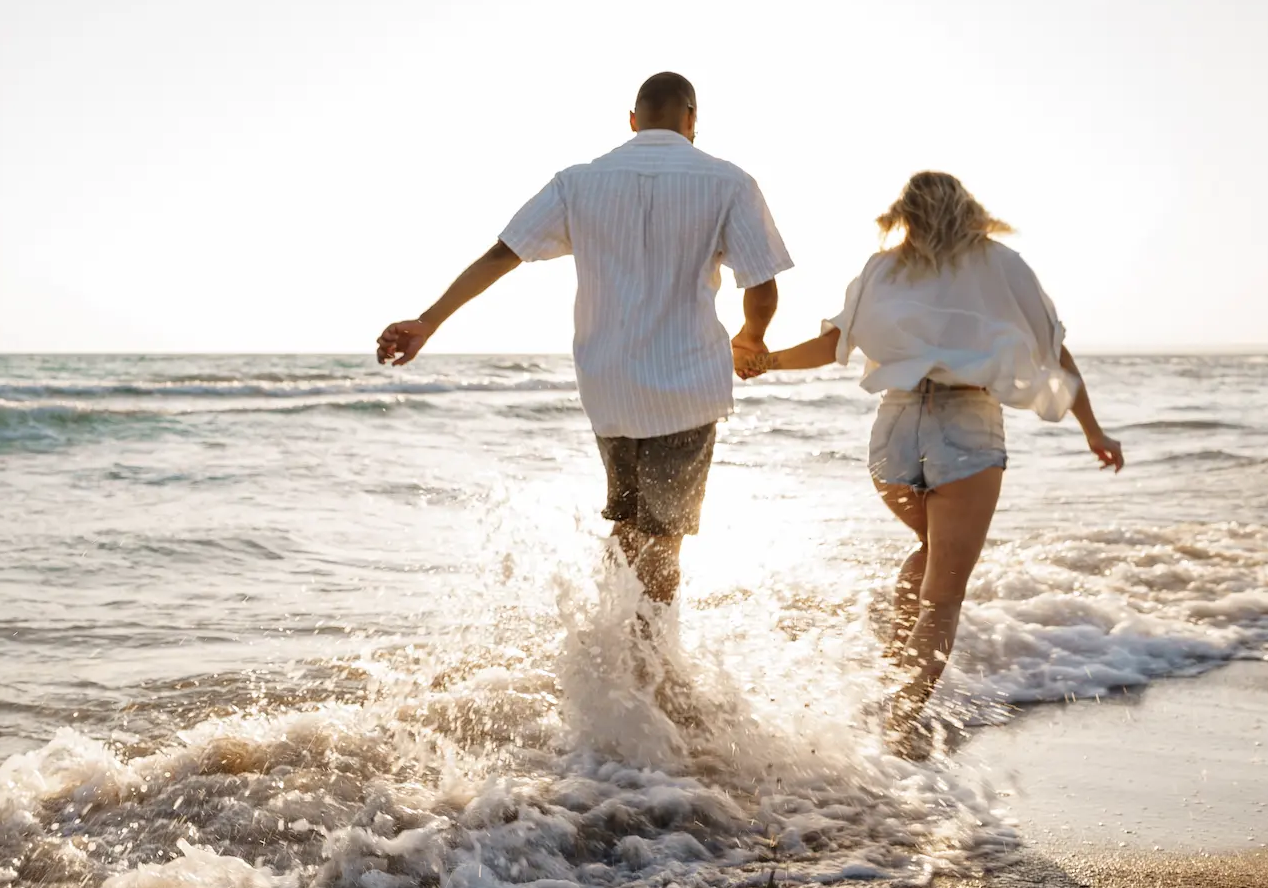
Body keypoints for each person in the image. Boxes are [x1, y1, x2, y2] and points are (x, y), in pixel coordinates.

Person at [376, 72, 792, 610]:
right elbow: (761, 284)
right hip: (688, 385)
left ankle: (612, 649)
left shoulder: (578, 181)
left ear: (633, 120)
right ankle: (650, 667)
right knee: (663, 537)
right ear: (692, 121)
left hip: (609, 388)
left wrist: (429, 320)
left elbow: (503, 255)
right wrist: (751, 337)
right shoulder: (729, 182)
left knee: (626, 522)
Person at [743, 171, 1122, 757]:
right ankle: (896, 732)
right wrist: (1092, 429)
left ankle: (889, 684)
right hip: (966, 426)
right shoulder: (1001, 263)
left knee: (928, 552)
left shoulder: (883, 269)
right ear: (969, 211)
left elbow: (835, 345)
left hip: (893, 431)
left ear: (906, 214)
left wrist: (768, 362)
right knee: (943, 595)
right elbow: (1054, 348)